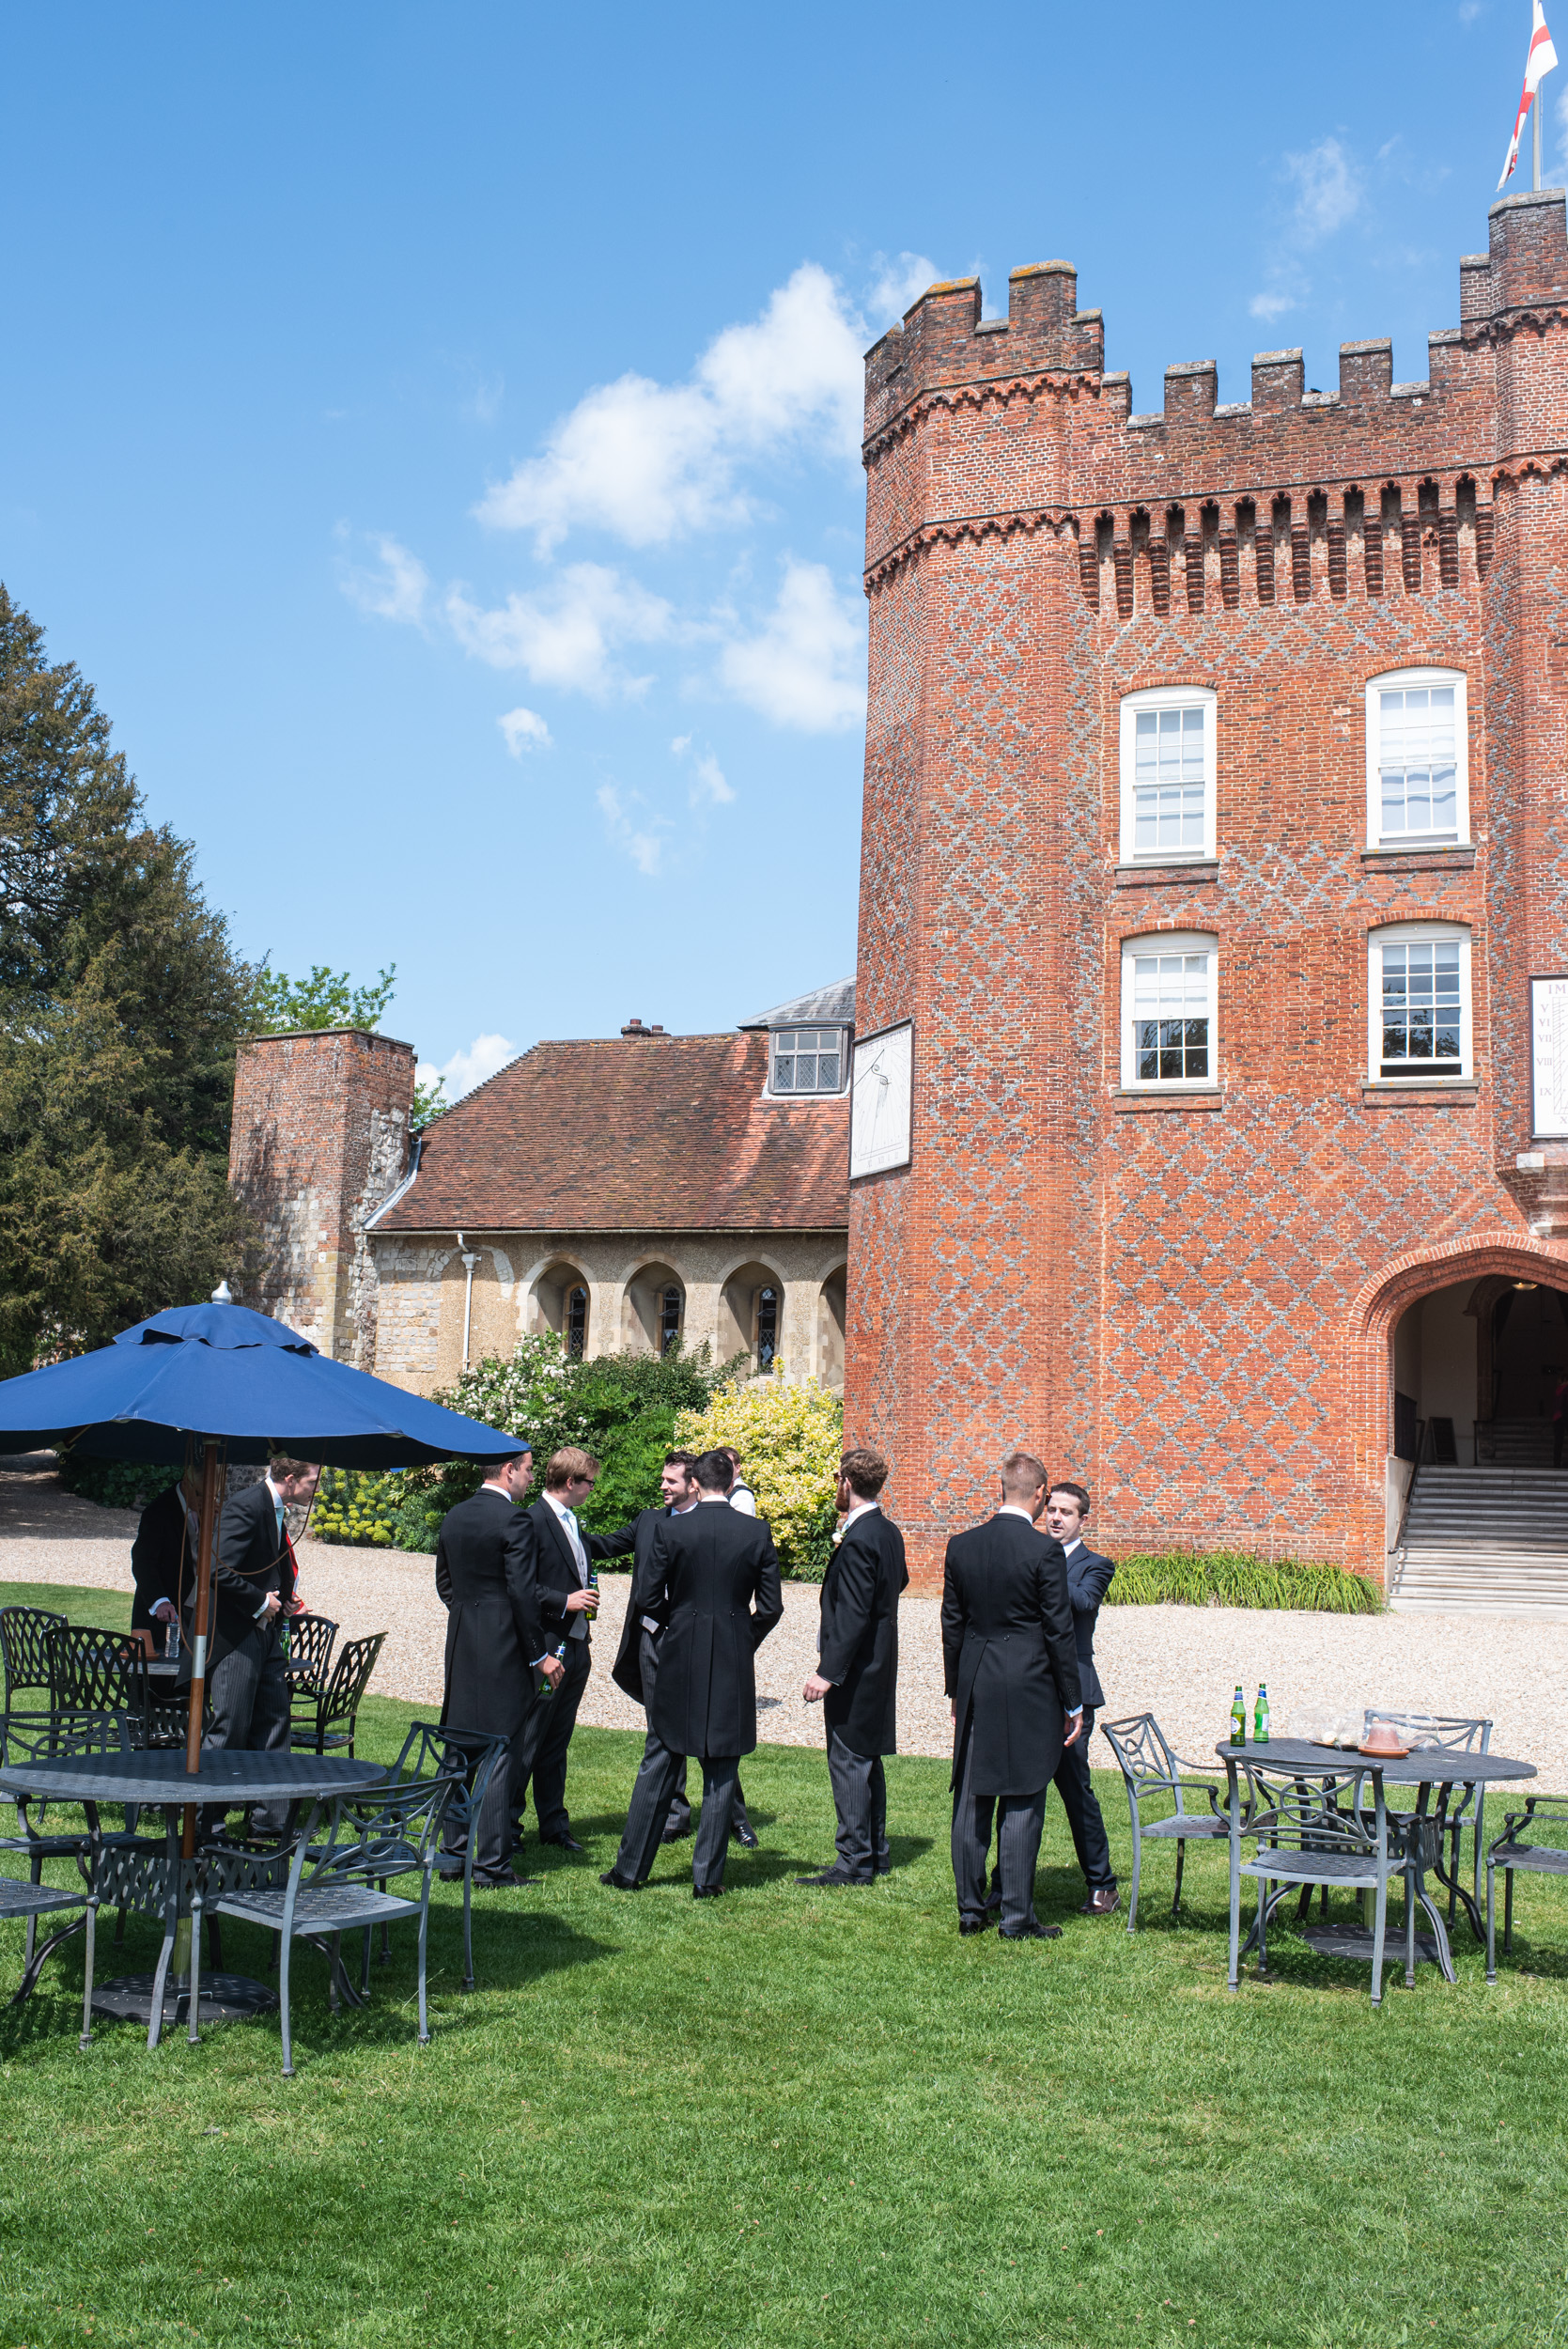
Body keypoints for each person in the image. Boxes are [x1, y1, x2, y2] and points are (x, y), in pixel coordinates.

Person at [600, 1447, 783, 1898]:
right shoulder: (757, 1531)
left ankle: (629, 1870)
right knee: (721, 1765)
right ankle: (707, 1879)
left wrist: (676, 1625)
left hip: (678, 1652)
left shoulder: (671, 1529)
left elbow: (647, 1594)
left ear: (696, 1485)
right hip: (731, 1657)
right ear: (731, 1481)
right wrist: (743, 1637)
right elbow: (772, 1606)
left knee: (660, 1755)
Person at [941, 1449, 1083, 1940]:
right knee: (1022, 1793)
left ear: (1000, 1488)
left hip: (978, 1676)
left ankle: (970, 1909)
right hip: (1027, 1680)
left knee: (973, 1794)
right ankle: (1017, 1917)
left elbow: (952, 1626)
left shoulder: (961, 1545)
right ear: (1042, 1495)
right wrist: (1073, 1701)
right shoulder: (1044, 1551)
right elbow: (1058, 1633)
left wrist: (955, 1688)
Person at [434, 1446, 563, 1889]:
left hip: (462, 1638)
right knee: (499, 1749)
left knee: (457, 1746)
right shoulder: (515, 1520)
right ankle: (491, 1864)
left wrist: (472, 1616)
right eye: (527, 1471)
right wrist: (538, 1653)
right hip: (504, 1644)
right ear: (508, 1471)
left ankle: (451, 1855)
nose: (530, 1479)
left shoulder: (455, 1514)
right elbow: (523, 1595)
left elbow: (445, 1584)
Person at [186, 1455, 318, 1834]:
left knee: (276, 1721)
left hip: (265, 1632)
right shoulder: (247, 1505)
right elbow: (213, 1567)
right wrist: (260, 1601)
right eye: (312, 1481)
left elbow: (264, 1565)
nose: (316, 1489)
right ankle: (203, 1823)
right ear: (291, 1479)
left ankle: (271, 1823)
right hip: (233, 1636)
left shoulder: (277, 1508)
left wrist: (285, 1598)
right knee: (230, 1727)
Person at [797, 1446, 908, 1887]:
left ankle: (853, 1861)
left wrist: (828, 1672)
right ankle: (874, 1854)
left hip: (858, 1668)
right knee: (866, 1759)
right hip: (879, 1662)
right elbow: (898, 1582)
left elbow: (855, 1613)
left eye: (836, 1480)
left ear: (846, 1482)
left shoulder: (861, 1537)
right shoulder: (888, 1531)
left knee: (848, 1760)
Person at [599, 1449, 704, 1839]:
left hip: (692, 1643)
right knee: (659, 1726)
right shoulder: (648, 1520)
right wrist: (559, 1530)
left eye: (670, 1481)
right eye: (662, 1479)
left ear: (693, 1485)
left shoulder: (709, 1524)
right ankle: (672, 1814)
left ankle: (730, 1815)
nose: (662, 1486)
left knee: (704, 1730)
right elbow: (607, 1545)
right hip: (649, 1640)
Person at [508, 1448, 602, 1854]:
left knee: (557, 1740)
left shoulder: (573, 1521)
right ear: (570, 1482)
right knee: (529, 1739)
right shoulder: (530, 1521)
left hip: (577, 1645)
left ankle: (554, 1824)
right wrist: (566, 1600)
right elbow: (521, 1586)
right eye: (589, 1483)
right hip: (547, 1647)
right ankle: (507, 1827)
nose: (592, 1491)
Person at [1042, 1480, 1119, 1917]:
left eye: (1066, 1512)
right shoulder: (1033, 1555)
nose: (1055, 1517)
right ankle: (1005, 1883)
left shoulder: (1096, 1565)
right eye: (1052, 1509)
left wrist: (1045, 1567)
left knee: (1076, 1790)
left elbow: (1083, 1603)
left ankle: (1102, 1885)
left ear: (1082, 1520)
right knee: (1021, 1790)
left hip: (1074, 1694)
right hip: (1032, 1686)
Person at [131, 1463, 202, 1643]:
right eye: (200, 1495)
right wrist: (159, 1600)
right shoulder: (158, 1511)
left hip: (195, 1608)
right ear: (187, 1483)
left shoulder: (209, 1511)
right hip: (165, 1610)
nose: (206, 1500)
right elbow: (143, 1560)